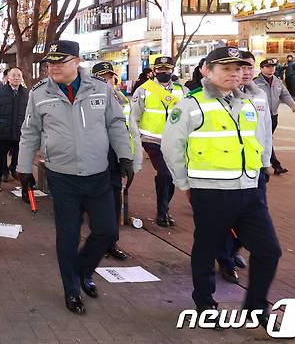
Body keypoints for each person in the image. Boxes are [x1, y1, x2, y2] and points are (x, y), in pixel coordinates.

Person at [161, 47, 281, 325]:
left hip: (250, 191)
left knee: (268, 250)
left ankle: (256, 307)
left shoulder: (248, 103)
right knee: (207, 248)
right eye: (227, 68)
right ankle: (205, 303)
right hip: (211, 193)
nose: (235, 74)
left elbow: (260, 140)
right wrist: (185, 185)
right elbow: (172, 148)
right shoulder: (191, 105)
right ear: (207, 70)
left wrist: (261, 171)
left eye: (238, 69)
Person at [17, 40, 133, 315]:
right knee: (67, 235)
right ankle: (71, 288)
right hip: (62, 176)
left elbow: (116, 123)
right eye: (50, 62)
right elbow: (30, 131)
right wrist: (24, 169)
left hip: (98, 173)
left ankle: (83, 270)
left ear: (77, 61)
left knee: (106, 230)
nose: (53, 67)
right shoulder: (39, 94)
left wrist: (125, 156)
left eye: (60, 61)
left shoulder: (101, 89)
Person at [216, 51, 272, 284]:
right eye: (241, 68)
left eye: (249, 68)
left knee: (253, 218)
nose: (245, 72)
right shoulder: (218, 98)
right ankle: (225, 260)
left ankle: (234, 251)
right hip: (225, 171)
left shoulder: (259, 97)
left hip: (253, 169)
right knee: (225, 219)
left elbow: (266, 131)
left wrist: (266, 162)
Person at [92, 62, 142, 261]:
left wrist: (130, 158)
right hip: (95, 156)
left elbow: (130, 130)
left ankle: (110, 242)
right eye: (101, 77)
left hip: (116, 156)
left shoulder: (122, 99)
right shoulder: (87, 99)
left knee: (114, 200)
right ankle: (96, 242)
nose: (107, 81)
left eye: (109, 77)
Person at [131, 56, 187, 227]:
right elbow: (134, 116)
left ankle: (164, 209)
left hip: (175, 142)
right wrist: (135, 142)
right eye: (160, 69)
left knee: (171, 177)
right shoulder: (143, 90)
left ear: (172, 70)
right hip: (152, 140)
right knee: (165, 174)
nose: (164, 72)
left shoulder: (182, 91)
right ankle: (162, 211)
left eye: (167, 69)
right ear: (154, 70)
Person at [0, 67, 29, 192]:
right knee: (0, 159)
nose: (16, 78)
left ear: (22, 78)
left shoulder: (27, 93)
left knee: (19, 157)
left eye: (19, 75)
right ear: (8, 77)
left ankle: (13, 168)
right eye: (13, 75)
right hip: (3, 132)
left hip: (20, 132)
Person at [253, 58, 295, 175]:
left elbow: (285, 94)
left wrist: (292, 105)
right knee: (266, 138)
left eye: (273, 67)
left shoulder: (278, 81)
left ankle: (270, 164)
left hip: (273, 116)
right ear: (262, 68)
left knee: (267, 139)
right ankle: (274, 165)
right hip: (260, 116)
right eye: (268, 67)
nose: (271, 69)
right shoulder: (255, 83)